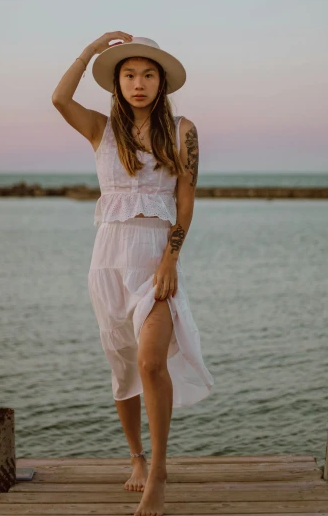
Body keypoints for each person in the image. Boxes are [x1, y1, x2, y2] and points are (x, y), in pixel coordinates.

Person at [52, 31, 214, 516]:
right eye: (128, 74)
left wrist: (171, 259)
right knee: (123, 366)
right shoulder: (101, 129)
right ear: (117, 82)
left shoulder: (183, 129)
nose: (138, 83)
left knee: (150, 362)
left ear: (161, 81)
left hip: (155, 260)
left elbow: (185, 201)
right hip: (107, 260)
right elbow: (59, 98)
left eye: (147, 74)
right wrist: (91, 49)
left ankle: (159, 472)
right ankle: (136, 458)